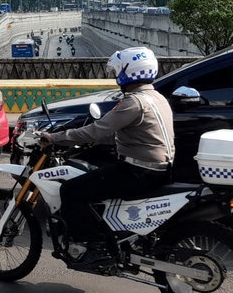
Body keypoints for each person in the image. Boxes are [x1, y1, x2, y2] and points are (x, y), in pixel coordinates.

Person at [40, 47, 174, 267]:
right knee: (97, 176)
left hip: (139, 172)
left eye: (119, 70)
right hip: (157, 168)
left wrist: (55, 138)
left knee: (71, 190)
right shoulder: (156, 97)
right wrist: (95, 139)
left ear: (129, 72)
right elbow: (124, 134)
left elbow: (96, 130)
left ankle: (93, 247)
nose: (116, 75)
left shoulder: (133, 102)